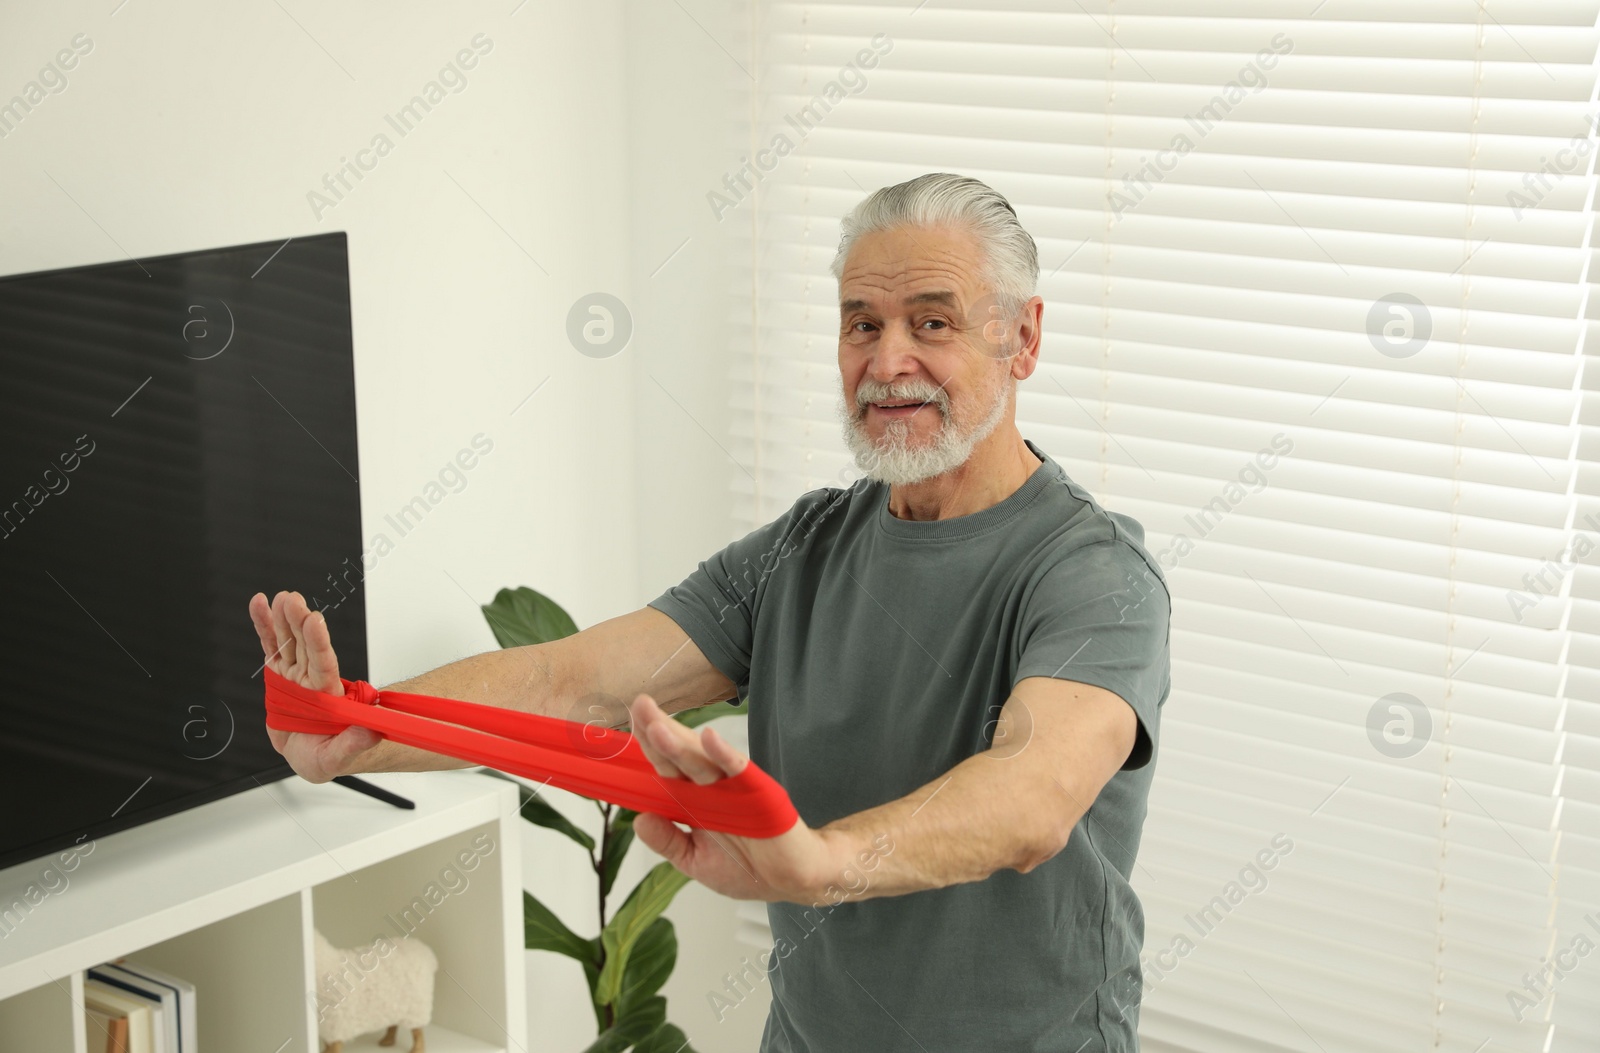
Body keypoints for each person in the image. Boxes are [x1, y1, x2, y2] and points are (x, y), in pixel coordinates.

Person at [249, 172, 1171, 1052]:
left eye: (932, 321)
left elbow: (1032, 794)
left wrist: (820, 861)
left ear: (1024, 337)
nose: (889, 362)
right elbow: (570, 680)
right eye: (862, 323)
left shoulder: (1095, 574)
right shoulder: (802, 549)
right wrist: (358, 730)